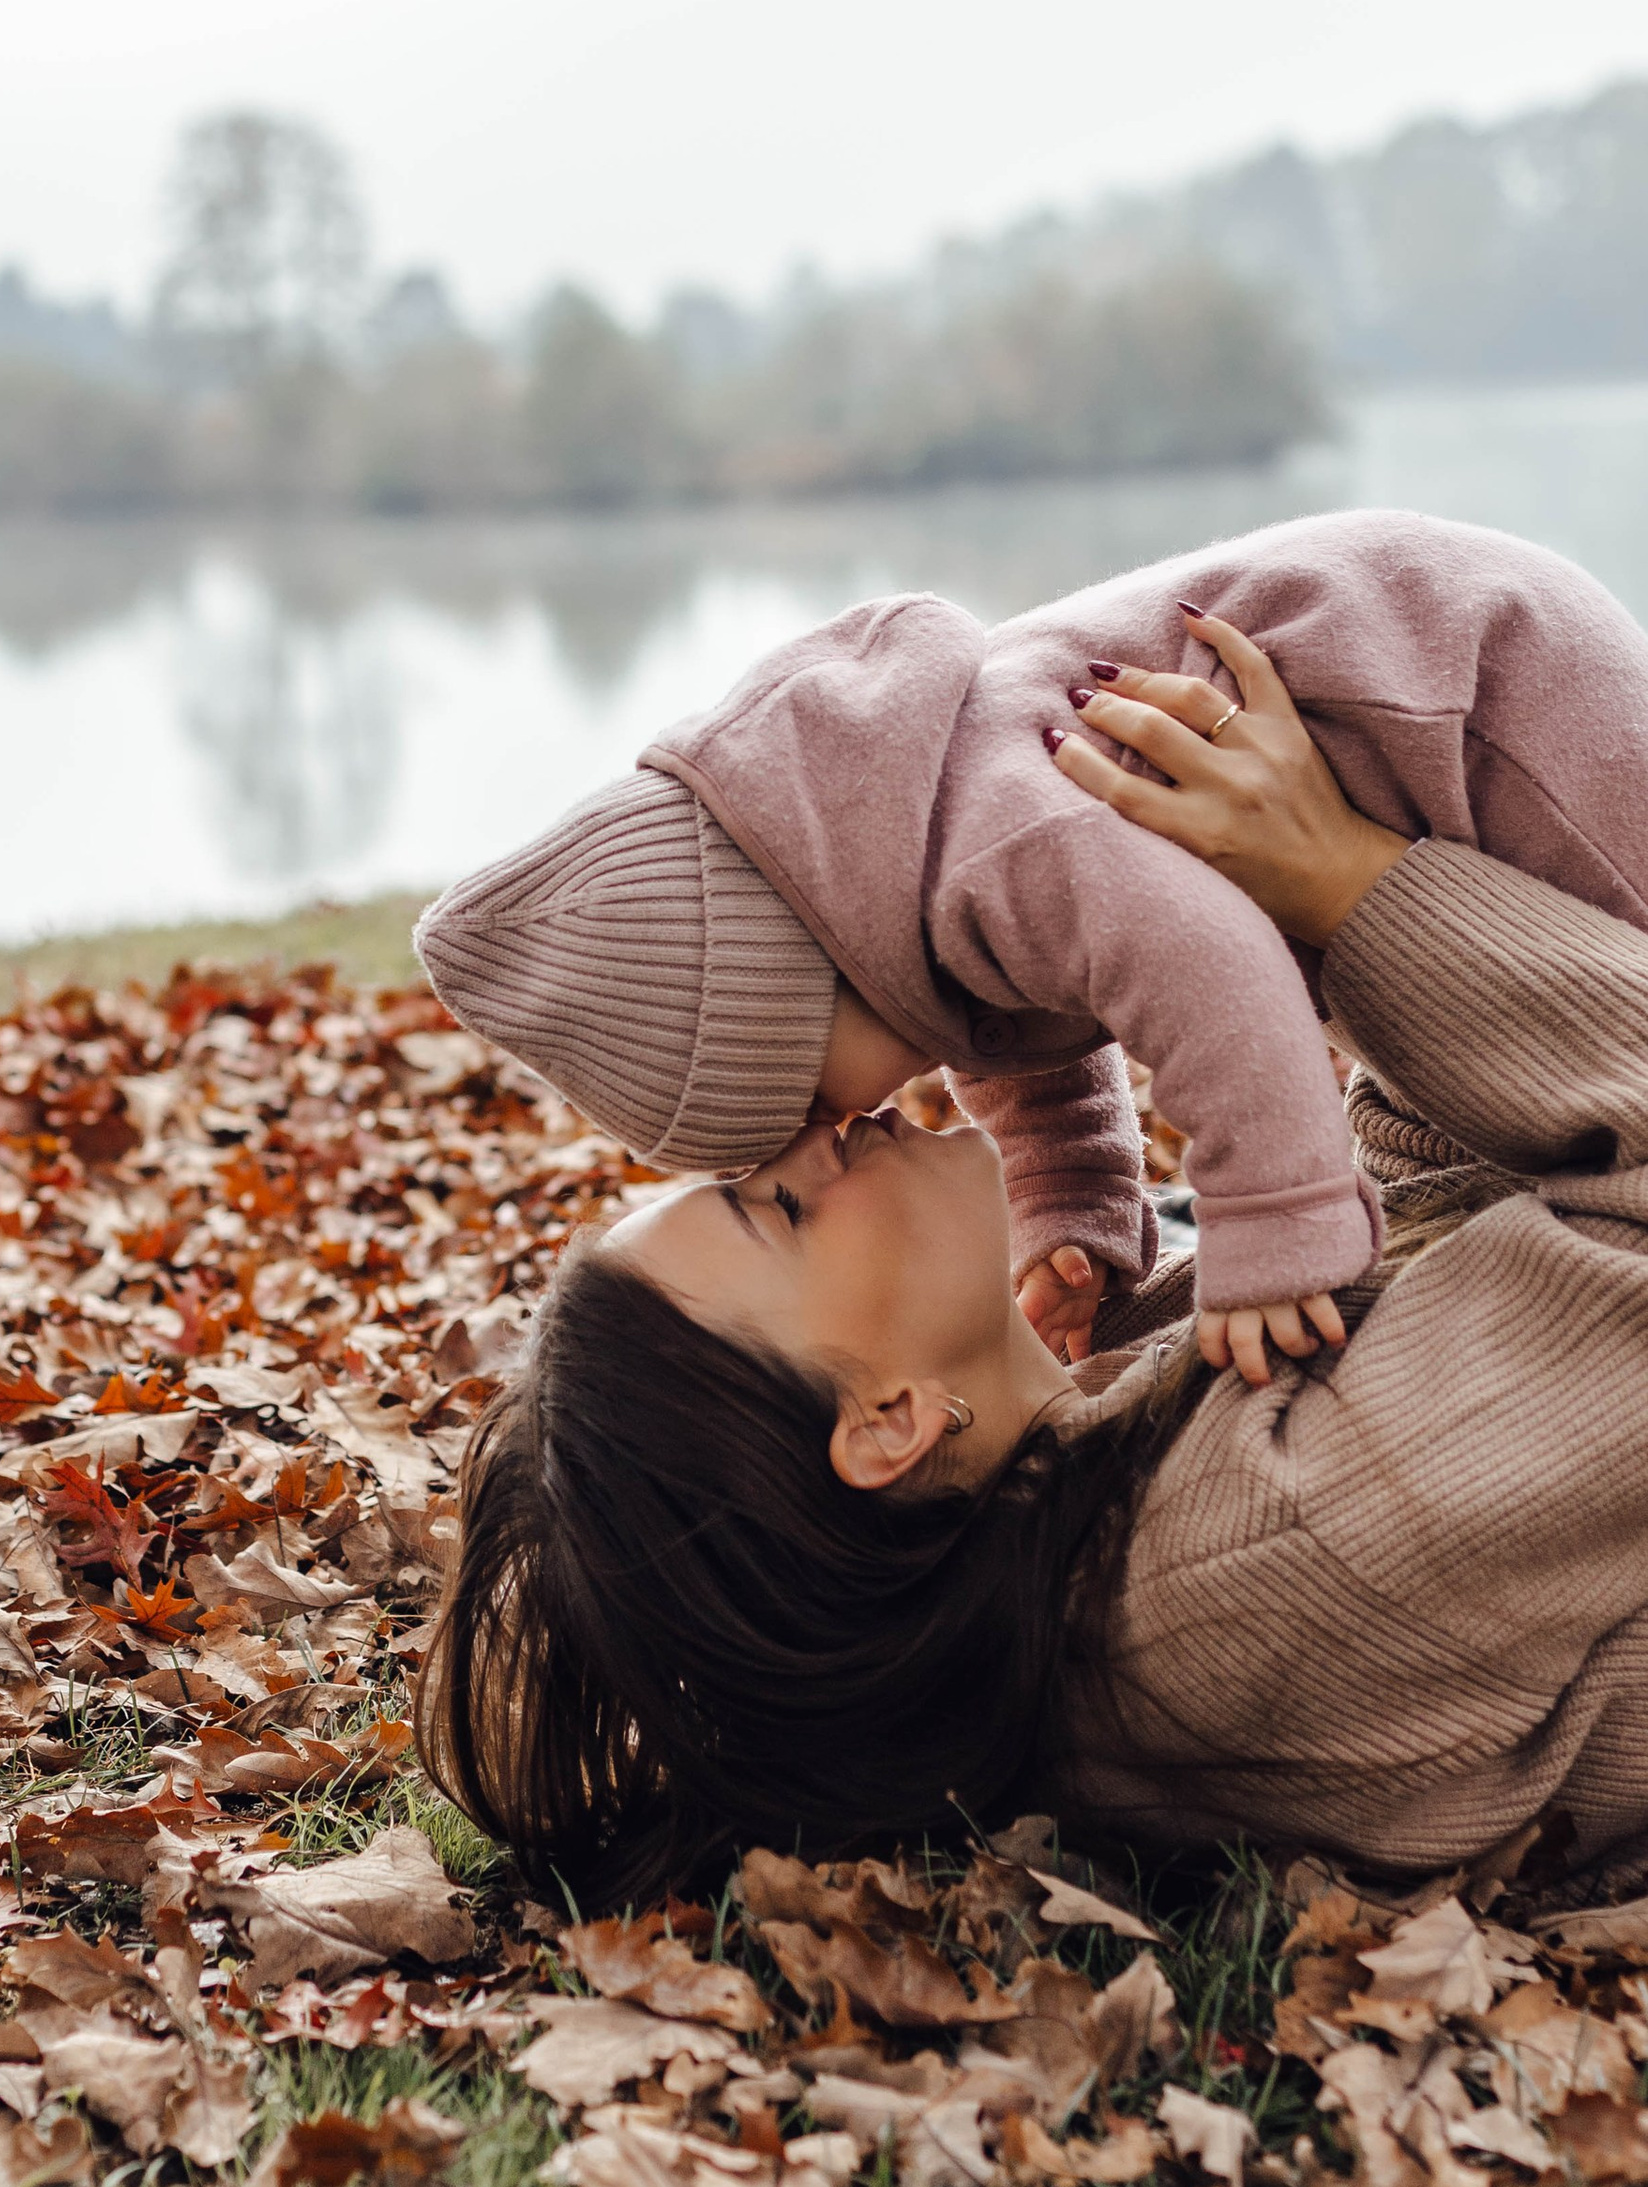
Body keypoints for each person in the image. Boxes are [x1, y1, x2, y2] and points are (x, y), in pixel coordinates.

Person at [417, 619, 1648, 1908]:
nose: (829, 1134)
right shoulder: (1262, 1549)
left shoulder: (1107, 1488)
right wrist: (1344, 883)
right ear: (888, 1421)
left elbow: (1462, 1205)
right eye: (780, 1212)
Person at [413, 507, 1648, 1386]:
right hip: (1425, 731)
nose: (841, 1137)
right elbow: (1020, 1039)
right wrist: (1071, 1195)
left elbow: (1212, 972)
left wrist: (1277, 1225)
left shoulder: (986, 847)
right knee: (1526, 1051)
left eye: (803, 1108)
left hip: (1485, 692)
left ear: (795, 996)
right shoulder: (901, 883)